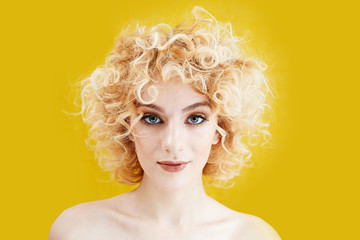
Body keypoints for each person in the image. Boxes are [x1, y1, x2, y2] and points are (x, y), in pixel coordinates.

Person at [49, 6, 281, 240]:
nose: (172, 143)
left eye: (195, 118)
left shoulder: (252, 235)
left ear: (220, 129)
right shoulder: (78, 230)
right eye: (152, 118)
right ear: (126, 125)